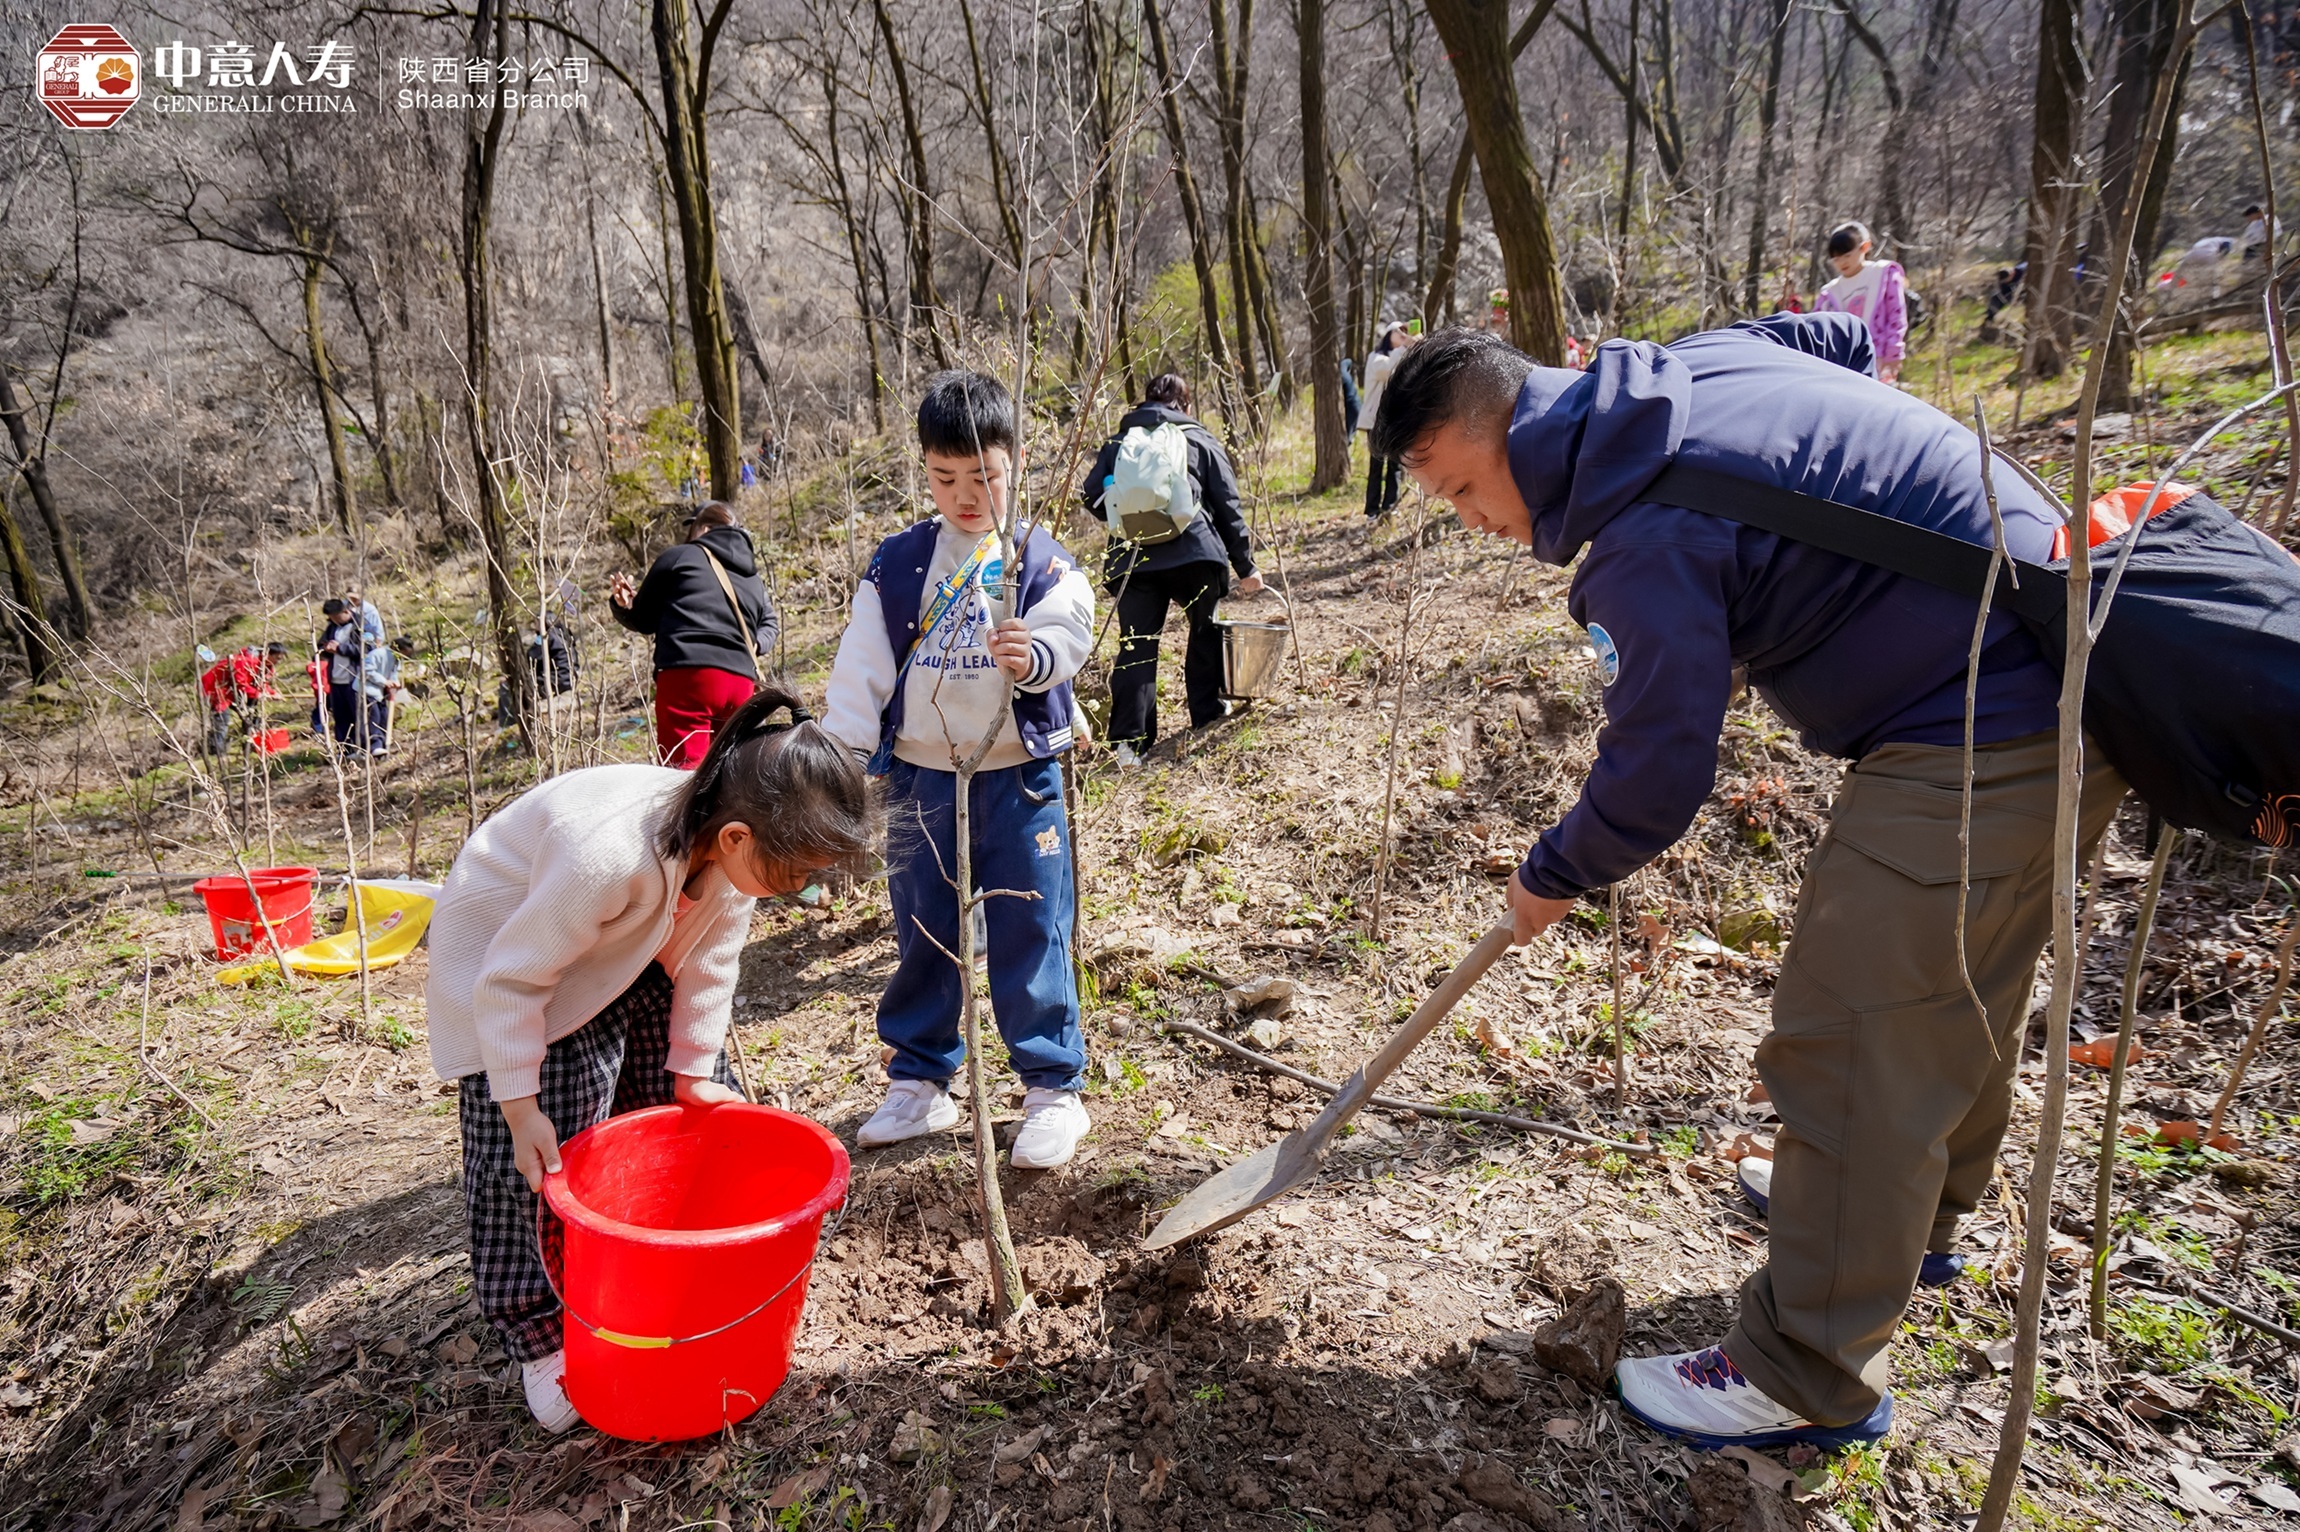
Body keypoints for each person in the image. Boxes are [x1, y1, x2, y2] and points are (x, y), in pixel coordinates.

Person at [1371, 317, 2128, 1452]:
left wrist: (1553, 872)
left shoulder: (1644, 539)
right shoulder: (1690, 366)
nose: (1473, 521)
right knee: (1950, 980)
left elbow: (1657, 770)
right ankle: (1907, 1215)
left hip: (1983, 711)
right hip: (2064, 646)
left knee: (1857, 1024)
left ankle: (1802, 1371)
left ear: (1515, 426)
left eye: (1465, 488)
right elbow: (1833, 333)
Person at [426, 686, 870, 1432]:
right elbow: (512, 981)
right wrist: (519, 1108)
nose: (802, 890)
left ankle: (648, 1269)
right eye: (795, 873)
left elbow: (711, 965)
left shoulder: (731, 851)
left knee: (670, 1109)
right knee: (541, 1161)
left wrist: (693, 1073)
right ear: (736, 838)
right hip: (505, 964)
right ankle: (542, 1335)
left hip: (618, 951)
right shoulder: (606, 854)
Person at [820, 370, 1097, 1170]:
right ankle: (920, 1080)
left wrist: (1035, 656)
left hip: (1018, 778)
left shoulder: (1039, 558)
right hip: (919, 778)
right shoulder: (901, 562)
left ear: (1016, 464)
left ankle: (1051, 1087)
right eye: (945, 478)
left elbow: (1070, 626)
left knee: (1031, 925)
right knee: (923, 927)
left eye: (984, 476)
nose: (965, 496)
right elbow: (862, 667)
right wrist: (841, 759)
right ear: (924, 470)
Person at [1079, 373, 1265, 765]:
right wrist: (1245, 565)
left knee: (1137, 645)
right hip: (1193, 552)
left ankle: (1129, 744)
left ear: (1143, 402)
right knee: (1204, 630)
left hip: (1134, 557)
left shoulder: (1119, 442)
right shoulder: (1199, 438)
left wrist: (1125, 514)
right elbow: (1227, 504)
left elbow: (1090, 495)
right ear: (1186, 405)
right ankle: (1207, 714)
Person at [609, 500, 779, 768]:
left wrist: (625, 605)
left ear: (705, 529)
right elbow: (769, 623)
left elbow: (643, 620)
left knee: (684, 775)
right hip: (741, 682)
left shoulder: (680, 557)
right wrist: (752, 646)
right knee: (730, 774)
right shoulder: (752, 578)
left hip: (689, 678)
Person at [1812, 221, 1908, 385]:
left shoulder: (1883, 274)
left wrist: (1894, 352)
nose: (1842, 262)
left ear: (1864, 247)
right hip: (1844, 363)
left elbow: (1896, 314)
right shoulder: (1830, 292)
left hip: (1879, 357)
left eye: (1847, 256)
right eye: (1836, 259)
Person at [1358, 322, 1417, 520]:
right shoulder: (1376, 357)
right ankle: (1372, 510)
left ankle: (1390, 506)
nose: (1403, 335)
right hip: (1376, 420)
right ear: (1388, 334)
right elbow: (1386, 370)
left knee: (1395, 464)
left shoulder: (1402, 358)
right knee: (1376, 465)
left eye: (1406, 332)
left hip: (1395, 419)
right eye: (1399, 331)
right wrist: (1404, 347)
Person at [200, 643, 287, 757]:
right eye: (277, 658)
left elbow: (261, 683)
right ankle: (216, 753)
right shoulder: (245, 662)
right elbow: (240, 684)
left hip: (235, 691)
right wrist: (260, 694)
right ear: (267, 654)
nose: (278, 661)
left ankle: (251, 746)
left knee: (252, 716)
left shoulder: (267, 666)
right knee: (222, 720)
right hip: (217, 688)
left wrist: (271, 693)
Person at [316, 599, 365, 753]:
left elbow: (366, 650)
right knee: (341, 718)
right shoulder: (332, 627)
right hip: (336, 679)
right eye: (331, 618)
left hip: (354, 679)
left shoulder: (360, 625)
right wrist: (325, 649)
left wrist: (340, 648)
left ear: (346, 611)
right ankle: (345, 750)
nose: (335, 620)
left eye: (337, 617)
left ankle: (363, 748)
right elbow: (320, 646)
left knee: (359, 716)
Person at [1341, 356, 1361, 437]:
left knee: (1348, 435)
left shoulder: (1342, 376)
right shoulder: (1346, 375)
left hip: (1350, 406)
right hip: (1357, 404)